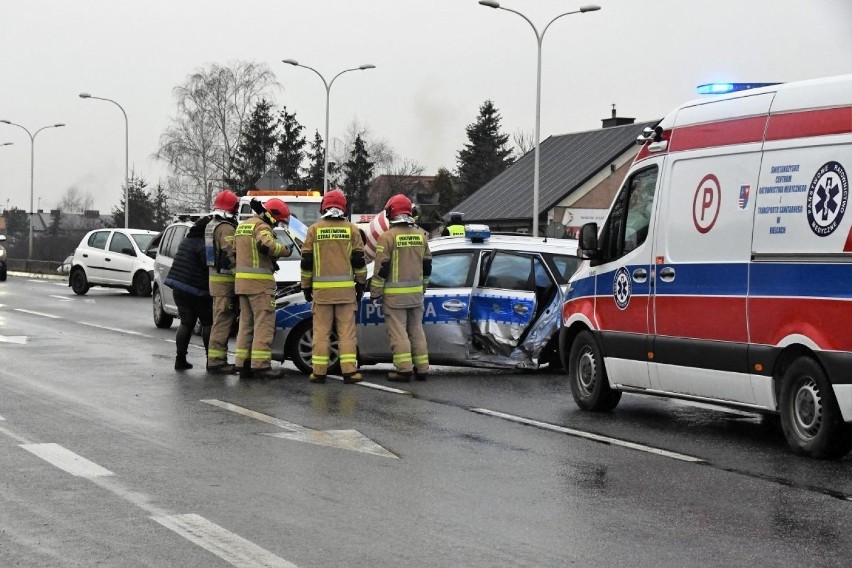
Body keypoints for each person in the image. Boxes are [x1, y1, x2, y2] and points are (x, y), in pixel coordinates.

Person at [300, 189, 367, 384]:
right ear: (343, 207)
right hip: (346, 293)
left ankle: (318, 372)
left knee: (321, 333)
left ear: (324, 207)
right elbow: (359, 262)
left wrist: (306, 287)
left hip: (321, 294)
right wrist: (361, 284)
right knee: (346, 332)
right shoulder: (352, 230)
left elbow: (306, 263)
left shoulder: (314, 230)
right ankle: (349, 372)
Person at [371, 194, 432, 382]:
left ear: (391, 212)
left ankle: (403, 370)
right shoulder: (420, 236)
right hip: (415, 295)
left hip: (395, 298)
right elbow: (427, 265)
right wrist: (423, 287)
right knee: (417, 330)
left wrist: (375, 292)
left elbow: (382, 268)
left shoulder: (387, 237)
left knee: (399, 333)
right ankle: (422, 369)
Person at [233, 198, 292, 379]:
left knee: (246, 325)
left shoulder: (243, 226)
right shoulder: (262, 227)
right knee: (263, 325)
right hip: (260, 286)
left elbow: (235, 252)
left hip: (242, 284)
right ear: (272, 216)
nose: (277, 225)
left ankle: (242, 364)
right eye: (278, 221)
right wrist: (285, 250)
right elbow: (266, 244)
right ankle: (261, 365)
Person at [164, 216, 213, 371]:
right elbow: (208, 267)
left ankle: (180, 359)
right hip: (196, 290)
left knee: (186, 323)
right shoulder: (204, 245)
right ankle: (210, 360)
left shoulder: (186, 241)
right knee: (207, 322)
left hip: (178, 288)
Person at [205, 190, 240, 374]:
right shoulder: (226, 228)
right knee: (223, 322)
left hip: (216, 282)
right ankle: (217, 361)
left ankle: (216, 359)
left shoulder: (212, 224)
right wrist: (240, 276)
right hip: (225, 283)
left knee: (219, 320)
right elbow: (231, 253)